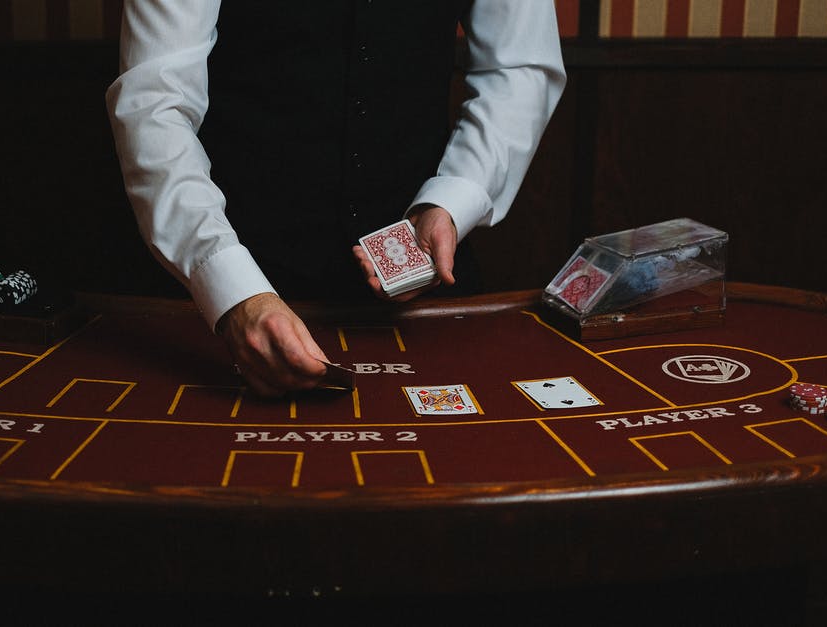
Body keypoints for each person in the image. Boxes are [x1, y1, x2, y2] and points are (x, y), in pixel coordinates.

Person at [107, 1, 565, 397]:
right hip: (217, 293)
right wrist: (228, 284)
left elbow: (519, 67)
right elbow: (154, 102)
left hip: (422, 298)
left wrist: (453, 200)